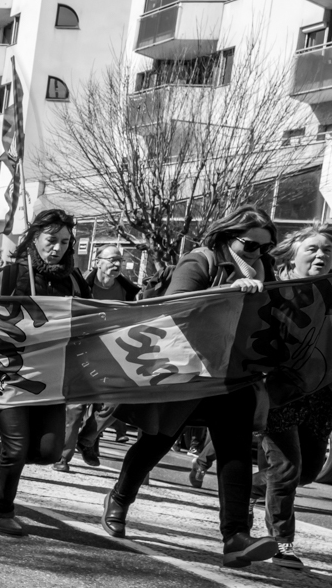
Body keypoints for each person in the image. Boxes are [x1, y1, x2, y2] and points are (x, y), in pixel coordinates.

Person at [103, 205, 279, 568]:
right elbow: (175, 308)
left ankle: (235, 537)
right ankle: (120, 498)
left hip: (235, 376)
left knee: (235, 455)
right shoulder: (200, 260)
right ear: (229, 237)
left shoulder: (269, 270)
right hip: (189, 372)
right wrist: (228, 292)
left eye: (265, 247)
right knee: (156, 442)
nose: (258, 254)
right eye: (250, 246)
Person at [0, 209, 91, 536]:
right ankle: (2, 511)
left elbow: (89, 322)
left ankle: (8, 455)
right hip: (7, 374)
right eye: (51, 240)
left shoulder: (74, 280)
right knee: (16, 448)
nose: (57, 248)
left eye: (64, 242)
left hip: (50, 380)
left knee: (47, 452)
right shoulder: (11, 274)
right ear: (35, 238)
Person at [257, 225, 332, 569]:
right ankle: (281, 543)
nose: (321, 255)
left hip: (320, 395)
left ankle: (251, 485)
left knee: (308, 472)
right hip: (279, 392)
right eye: (312, 249)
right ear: (292, 256)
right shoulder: (273, 292)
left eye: (327, 251)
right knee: (287, 469)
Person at [55, 245, 142, 472]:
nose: (117, 264)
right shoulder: (80, 284)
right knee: (76, 406)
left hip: (113, 352)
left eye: (120, 261)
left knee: (116, 401)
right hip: (80, 350)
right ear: (97, 261)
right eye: (112, 259)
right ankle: (63, 457)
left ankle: (87, 438)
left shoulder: (129, 291)